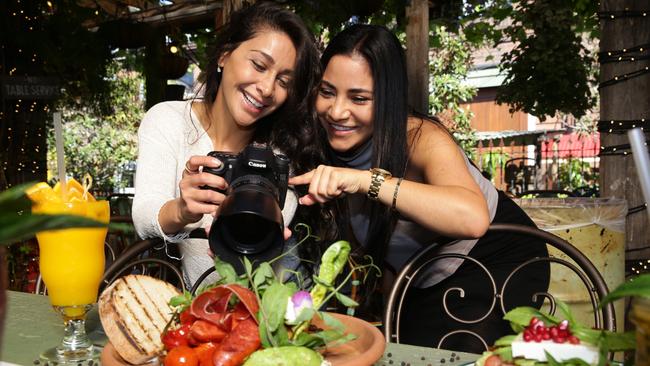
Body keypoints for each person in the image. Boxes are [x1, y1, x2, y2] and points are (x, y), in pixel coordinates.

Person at [289, 24, 550, 353]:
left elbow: (472, 219)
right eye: (327, 92)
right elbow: (383, 249)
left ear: (388, 100)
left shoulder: (421, 136)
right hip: (419, 275)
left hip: (496, 259)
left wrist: (364, 180)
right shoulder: (326, 145)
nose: (337, 111)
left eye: (359, 98)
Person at [132, 2, 321, 287]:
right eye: (258, 65)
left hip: (265, 310)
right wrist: (183, 209)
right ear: (224, 55)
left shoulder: (281, 156)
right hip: (189, 308)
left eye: (284, 81)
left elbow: (254, 272)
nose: (267, 89)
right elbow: (145, 214)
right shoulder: (169, 120)